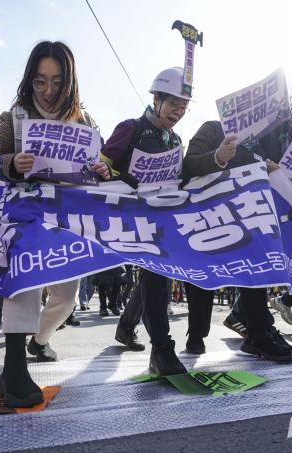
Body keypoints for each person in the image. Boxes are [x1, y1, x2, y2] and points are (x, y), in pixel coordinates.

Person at [0, 41, 110, 407]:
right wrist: (10, 163)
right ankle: (15, 366)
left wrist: (101, 171)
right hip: (23, 212)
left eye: (57, 82)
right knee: (22, 282)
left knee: (67, 296)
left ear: (70, 83)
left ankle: (37, 342)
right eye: (40, 82)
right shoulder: (17, 117)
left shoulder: (83, 122)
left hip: (67, 217)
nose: (49, 91)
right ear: (30, 81)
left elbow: (96, 170)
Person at [181, 115, 292, 359]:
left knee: (254, 271)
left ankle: (260, 333)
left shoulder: (256, 144)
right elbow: (189, 165)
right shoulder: (212, 128)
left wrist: (267, 168)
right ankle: (196, 337)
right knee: (206, 276)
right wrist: (218, 157)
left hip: (246, 221)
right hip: (211, 218)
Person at [103, 67, 189, 375]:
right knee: (155, 277)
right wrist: (117, 176)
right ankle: (162, 349)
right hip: (127, 217)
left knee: (157, 276)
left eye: (183, 107)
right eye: (173, 105)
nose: (178, 112)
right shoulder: (131, 128)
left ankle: (127, 327)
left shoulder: (176, 139)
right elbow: (99, 165)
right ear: (156, 99)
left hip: (160, 220)